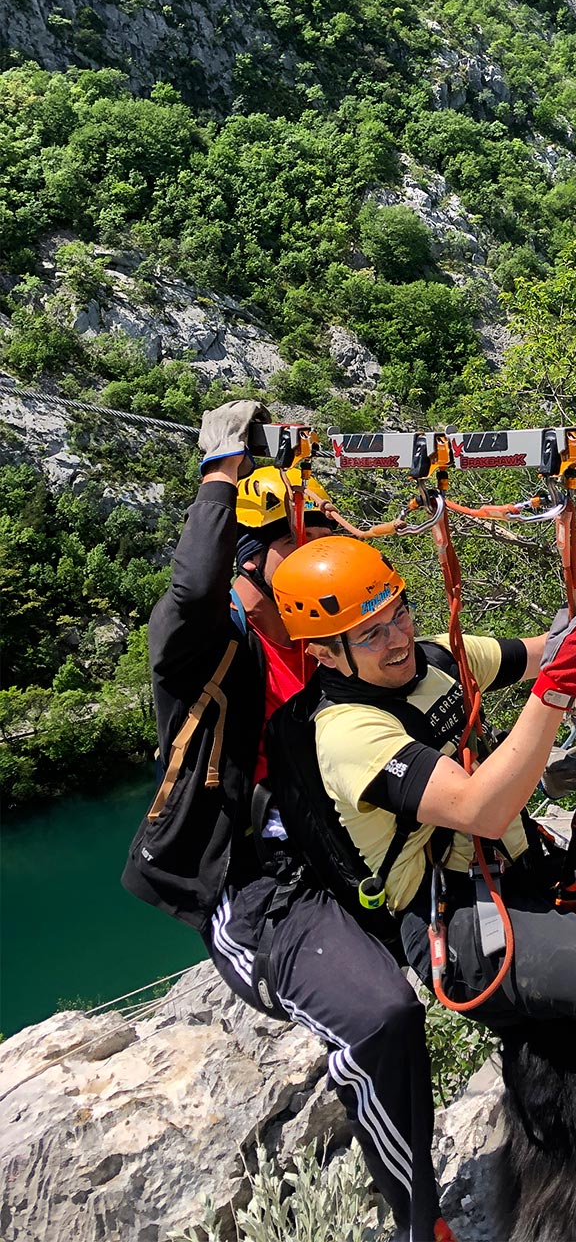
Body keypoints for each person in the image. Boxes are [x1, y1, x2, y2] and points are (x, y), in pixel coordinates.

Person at [269, 536, 576, 1234]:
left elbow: (546, 648)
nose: (396, 638)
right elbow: (481, 806)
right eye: (371, 633)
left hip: (517, 873)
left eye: (399, 613)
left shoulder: (438, 661)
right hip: (454, 922)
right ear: (326, 654)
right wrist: (555, 694)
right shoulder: (349, 732)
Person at [124, 402, 450, 1242]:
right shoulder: (210, 647)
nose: (313, 572)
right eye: (291, 556)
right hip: (256, 884)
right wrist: (222, 471)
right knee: (383, 1017)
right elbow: (189, 593)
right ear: (251, 570)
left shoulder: (324, 640)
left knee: (498, 945)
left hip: (337, 845)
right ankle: (423, 1224)